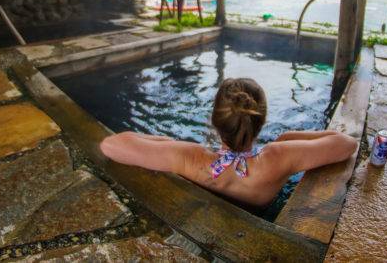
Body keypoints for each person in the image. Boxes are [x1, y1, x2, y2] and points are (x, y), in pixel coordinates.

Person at [100, 78, 357, 207]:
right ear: (261, 119)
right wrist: (287, 138)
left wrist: (165, 141)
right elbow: (346, 143)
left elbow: (110, 145)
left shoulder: (190, 157)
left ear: (215, 121)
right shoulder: (280, 156)